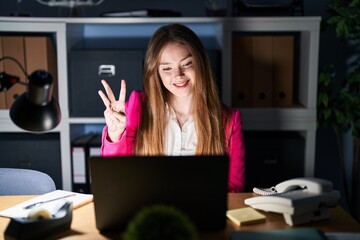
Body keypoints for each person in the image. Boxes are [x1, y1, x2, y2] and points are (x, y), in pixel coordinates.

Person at [98, 23, 245, 192]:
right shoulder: (138, 105)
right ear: (156, 73)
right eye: (167, 68)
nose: (178, 75)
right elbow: (116, 176)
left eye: (187, 63)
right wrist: (115, 135)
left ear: (201, 63)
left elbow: (234, 190)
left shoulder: (230, 120)